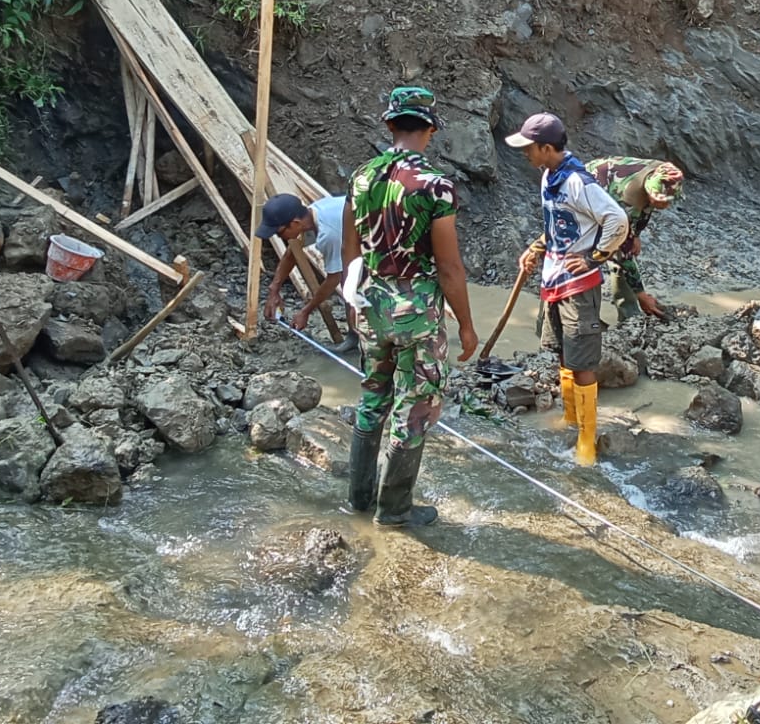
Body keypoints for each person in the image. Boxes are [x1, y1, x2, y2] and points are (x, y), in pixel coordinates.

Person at [341, 86, 478, 527]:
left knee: (372, 397)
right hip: (417, 310)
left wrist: (353, 302)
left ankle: (359, 499)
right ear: (431, 129)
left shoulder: (361, 177)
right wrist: (467, 325)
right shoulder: (436, 186)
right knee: (415, 408)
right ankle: (395, 510)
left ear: (389, 124)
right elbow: (449, 266)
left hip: (370, 302)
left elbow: (350, 254)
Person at [507, 112, 629, 466]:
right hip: (554, 279)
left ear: (547, 148)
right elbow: (560, 225)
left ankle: (587, 441)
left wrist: (594, 257)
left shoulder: (578, 181)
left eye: (529, 148)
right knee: (563, 351)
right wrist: (536, 248)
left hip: (578, 286)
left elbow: (617, 220)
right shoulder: (550, 176)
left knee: (582, 360)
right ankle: (571, 418)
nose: (525, 154)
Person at [586, 156, 684, 321]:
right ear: (648, 190)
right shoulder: (628, 200)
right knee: (595, 255)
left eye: (668, 201)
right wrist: (642, 295)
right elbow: (623, 252)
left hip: (617, 186)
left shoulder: (666, 174)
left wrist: (635, 234)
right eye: (660, 200)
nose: (665, 206)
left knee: (625, 252)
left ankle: (628, 315)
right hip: (589, 191)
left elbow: (647, 207)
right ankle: (588, 319)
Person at [256, 191, 355, 350]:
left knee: (355, 283)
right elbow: (291, 254)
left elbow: (333, 280)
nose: (280, 238)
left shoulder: (329, 234)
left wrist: (305, 312)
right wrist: (274, 289)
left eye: (279, 233)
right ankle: (355, 337)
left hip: (388, 237)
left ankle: (372, 343)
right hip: (365, 230)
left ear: (295, 223)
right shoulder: (313, 213)